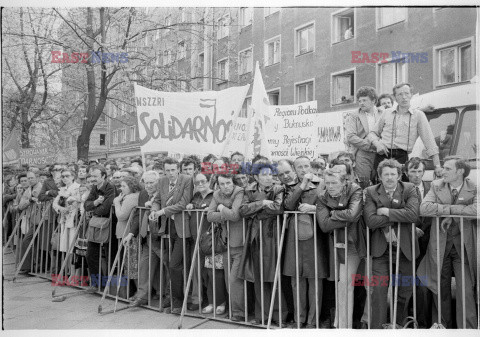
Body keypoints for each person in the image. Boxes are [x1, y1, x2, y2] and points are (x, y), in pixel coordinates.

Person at [417, 156, 478, 328]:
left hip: (463, 248)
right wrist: (454, 212)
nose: (442, 171)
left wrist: (448, 213)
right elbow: (424, 208)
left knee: (465, 290)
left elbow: (477, 209)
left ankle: (467, 329)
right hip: (440, 246)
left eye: (447, 168)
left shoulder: (474, 187)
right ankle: (441, 327)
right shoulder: (437, 186)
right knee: (439, 288)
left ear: (460, 172)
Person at [363, 158, 420, 328]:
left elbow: (413, 215)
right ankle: (377, 330)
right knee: (379, 293)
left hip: (406, 249)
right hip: (381, 251)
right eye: (386, 174)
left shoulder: (409, 188)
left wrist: (387, 211)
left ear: (399, 175)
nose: (389, 177)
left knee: (403, 292)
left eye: (393, 174)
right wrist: (397, 217)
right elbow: (371, 221)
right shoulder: (371, 191)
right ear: (379, 176)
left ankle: (398, 327)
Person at [239, 162, 287, 326]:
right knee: (258, 277)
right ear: (257, 177)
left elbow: (278, 207)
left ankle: (279, 315)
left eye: (270, 174)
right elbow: (243, 210)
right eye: (264, 175)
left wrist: (256, 212)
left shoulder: (278, 189)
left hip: (272, 235)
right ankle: (262, 316)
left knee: (274, 276)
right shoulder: (249, 190)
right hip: (255, 237)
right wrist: (262, 203)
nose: (268, 178)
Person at [283, 156, 328, 328]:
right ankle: (299, 319)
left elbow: (329, 207)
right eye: (299, 167)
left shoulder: (322, 184)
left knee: (315, 279)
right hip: (295, 237)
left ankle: (313, 321)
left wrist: (314, 209)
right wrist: (301, 187)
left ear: (311, 166)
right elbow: (288, 206)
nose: (303, 169)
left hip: (316, 236)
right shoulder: (291, 187)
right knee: (296, 279)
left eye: (306, 166)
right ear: (295, 170)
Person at [316, 168, 364, 328]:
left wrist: (333, 214)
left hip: (363, 243)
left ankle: (369, 324)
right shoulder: (322, 196)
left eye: (334, 183)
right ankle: (343, 327)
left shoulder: (355, 189)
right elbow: (324, 225)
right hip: (345, 246)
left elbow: (353, 214)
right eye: (327, 183)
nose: (330, 186)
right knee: (344, 285)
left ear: (344, 182)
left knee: (371, 286)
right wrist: (345, 216)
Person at [148, 157, 193, 313]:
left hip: (184, 227)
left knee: (175, 264)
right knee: (173, 265)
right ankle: (174, 300)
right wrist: (154, 210)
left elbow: (183, 203)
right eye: (167, 170)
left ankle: (179, 302)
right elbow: (158, 199)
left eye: (173, 169)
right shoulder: (162, 181)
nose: (170, 173)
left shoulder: (187, 180)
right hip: (169, 227)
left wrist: (161, 212)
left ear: (178, 169)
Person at [368, 83, 442, 178]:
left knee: (400, 189)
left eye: (406, 93)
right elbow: (372, 134)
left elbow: (429, 141)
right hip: (382, 156)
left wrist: (437, 166)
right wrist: (377, 144)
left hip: (401, 158)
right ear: (394, 98)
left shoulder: (418, 115)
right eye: (400, 94)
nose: (404, 97)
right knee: (379, 189)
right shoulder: (386, 113)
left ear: (411, 95)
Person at [207, 173, 245, 322]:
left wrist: (221, 208)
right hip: (224, 242)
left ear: (233, 182)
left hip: (239, 242)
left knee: (235, 280)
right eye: (222, 184)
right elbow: (209, 216)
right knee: (229, 280)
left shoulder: (239, 191)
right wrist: (224, 212)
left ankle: (238, 312)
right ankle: (234, 309)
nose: (225, 187)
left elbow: (235, 215)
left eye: (228, 183)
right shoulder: (217, 194)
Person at [403, 157, 432, 328]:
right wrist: (410, 229)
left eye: (419, 171)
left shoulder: (431, 187)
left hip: (428, 242)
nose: (416, 175)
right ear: (406, 173)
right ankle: (404, 320)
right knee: (405, 283)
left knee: (423, 284)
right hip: (407, 241)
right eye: (412, 171)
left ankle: (422, 323)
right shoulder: (400, 189)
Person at [185, 172, 215, 311]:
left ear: (209, 181)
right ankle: (197, 299)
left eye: (203, 181)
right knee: (196, 269)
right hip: (195, 239)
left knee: (210, 272)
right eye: (197, 183)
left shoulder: (215, 195)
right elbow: (190, 208)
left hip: (210, 240)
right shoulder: (195, 196)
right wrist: (191, 206)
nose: (200, 184)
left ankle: (214, 300)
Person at [84, 166, 116, 292]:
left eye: (95, 176)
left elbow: (106, 208)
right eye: (91, 176)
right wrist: (96, 203)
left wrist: (93, 209)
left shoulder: (110, 187)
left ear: (103, 176)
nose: (93, 179)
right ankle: (97, 283)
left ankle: (112, 287)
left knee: (110, 256)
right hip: (97, 222)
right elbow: (86, 205)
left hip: (110, 223)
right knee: (91, 254)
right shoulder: (94, 187)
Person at [345, 86, 382, 184]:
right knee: (363, 182)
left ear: (373, 101)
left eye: (364, 100)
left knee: (380, 183)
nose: (361, 103)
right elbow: (350, 136)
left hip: (380, 153)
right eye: (359, 101)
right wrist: (368, 146)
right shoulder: (354, 115)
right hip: (362, 152)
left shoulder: (383, 113)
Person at [113, 176, 141, 294]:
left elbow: (121, 215)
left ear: (132, 186)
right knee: (129, 264)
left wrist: (116, 203)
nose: (121, 189)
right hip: (127, 232)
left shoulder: (130, 198)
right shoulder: (132, 196)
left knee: (131, 264)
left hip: (127, 232)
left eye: (124, 186)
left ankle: (137, 291)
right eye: (121, 186)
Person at [52, 169, 81, 275]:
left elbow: (80, 200)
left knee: (73, 246)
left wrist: (71, 199)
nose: (64, 178)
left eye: (67, 176)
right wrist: (61, 208)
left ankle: (74, 273)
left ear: (73, 176)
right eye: (63, 176)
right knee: (65, 247)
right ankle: (68, 271)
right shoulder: (62, 189)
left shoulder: (77, 187)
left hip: (74, 218)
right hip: (64, 219)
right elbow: (54, 204)